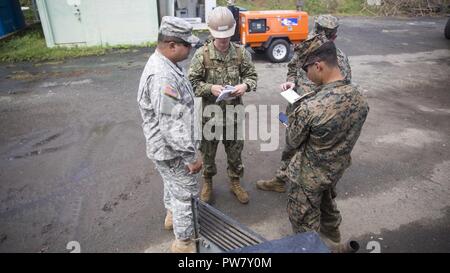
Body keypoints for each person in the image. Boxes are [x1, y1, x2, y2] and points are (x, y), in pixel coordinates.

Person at [284, 34, 369, 250]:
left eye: (306, 69)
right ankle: (335, 241)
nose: (306, 74)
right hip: (333, 171)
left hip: (306, 178)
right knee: (328, 208)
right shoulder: (359, 96)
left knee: (305, 232)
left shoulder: (310, 107)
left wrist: (295, 109)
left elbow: (293, 141)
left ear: (319, 66)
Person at [256, 14, 351, 193]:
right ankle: (281, 179)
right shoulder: (306, 49)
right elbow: (292, 67)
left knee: (314, 152)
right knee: (291, 145)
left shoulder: (339, 60)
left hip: (320, 117)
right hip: (297, 108)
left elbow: (342, 93)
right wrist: (291, 81)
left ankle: (313, 188)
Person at [137, 16, 202, 253]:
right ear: (172, 45)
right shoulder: (162, 75)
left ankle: (172, 216)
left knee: (172, 184)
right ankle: (184, 243)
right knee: (186, 193)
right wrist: (191, 157)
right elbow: (171, 125)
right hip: (172, 149)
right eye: (188, 45)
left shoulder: (167, 64)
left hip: (165, 148)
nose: (191, 49)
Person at [188, 7, 258, 204]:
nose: (224, 40)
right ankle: (208, 182)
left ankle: (235, 182)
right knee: (208, 153)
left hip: (233, 115)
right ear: (211, 32)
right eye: (220, 36)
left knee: (235, 152)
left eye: (227, 36)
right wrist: (210, 88)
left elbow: (252, 76)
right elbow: (191, 83)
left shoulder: (240, 53)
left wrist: (245, 85)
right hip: (208, 116)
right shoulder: (201, 55)